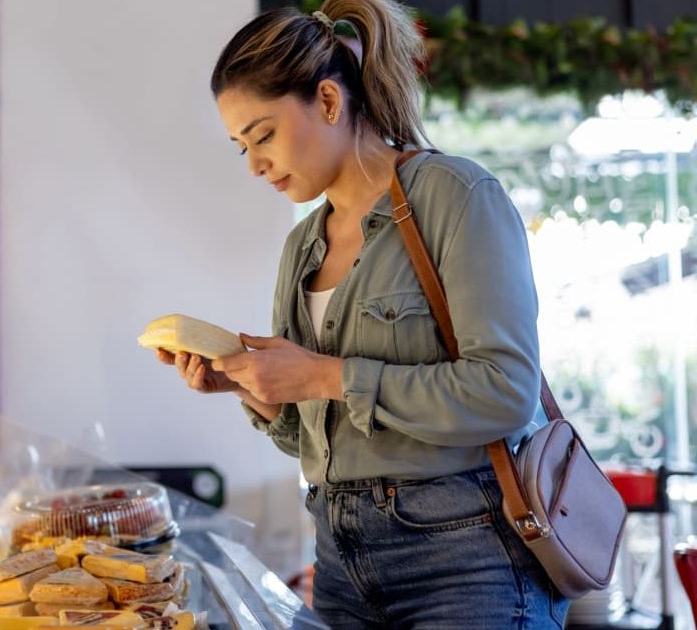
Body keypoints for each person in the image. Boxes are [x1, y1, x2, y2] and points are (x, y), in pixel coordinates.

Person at [154, 1, 569, 627]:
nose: (254, 164)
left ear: (327, 100)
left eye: (262, 134)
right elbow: (316, 434)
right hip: (340, 558)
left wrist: (323, 375)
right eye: (240, 146)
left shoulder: (455, 196)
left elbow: (506, 392)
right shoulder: (302, 246)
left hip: (466, 561)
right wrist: (257, 389)